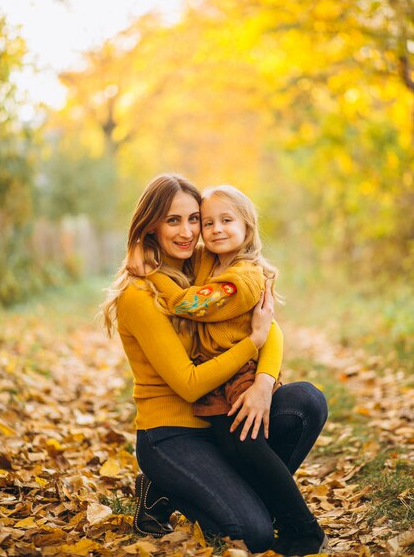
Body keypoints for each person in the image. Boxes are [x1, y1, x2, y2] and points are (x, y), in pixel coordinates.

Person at [102, 174, 328, 556]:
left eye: (195, 219)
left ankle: (246, 500)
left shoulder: (206, 265)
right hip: (173, 432)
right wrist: (250, 344)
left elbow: (267, 326)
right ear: (151, 225)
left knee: (306, 401)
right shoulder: (139, 291)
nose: (189, 231)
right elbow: (189, 385)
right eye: (173, 220)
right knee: (252, 535)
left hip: (220, 418)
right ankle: (162, 485)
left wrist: (262, 384)